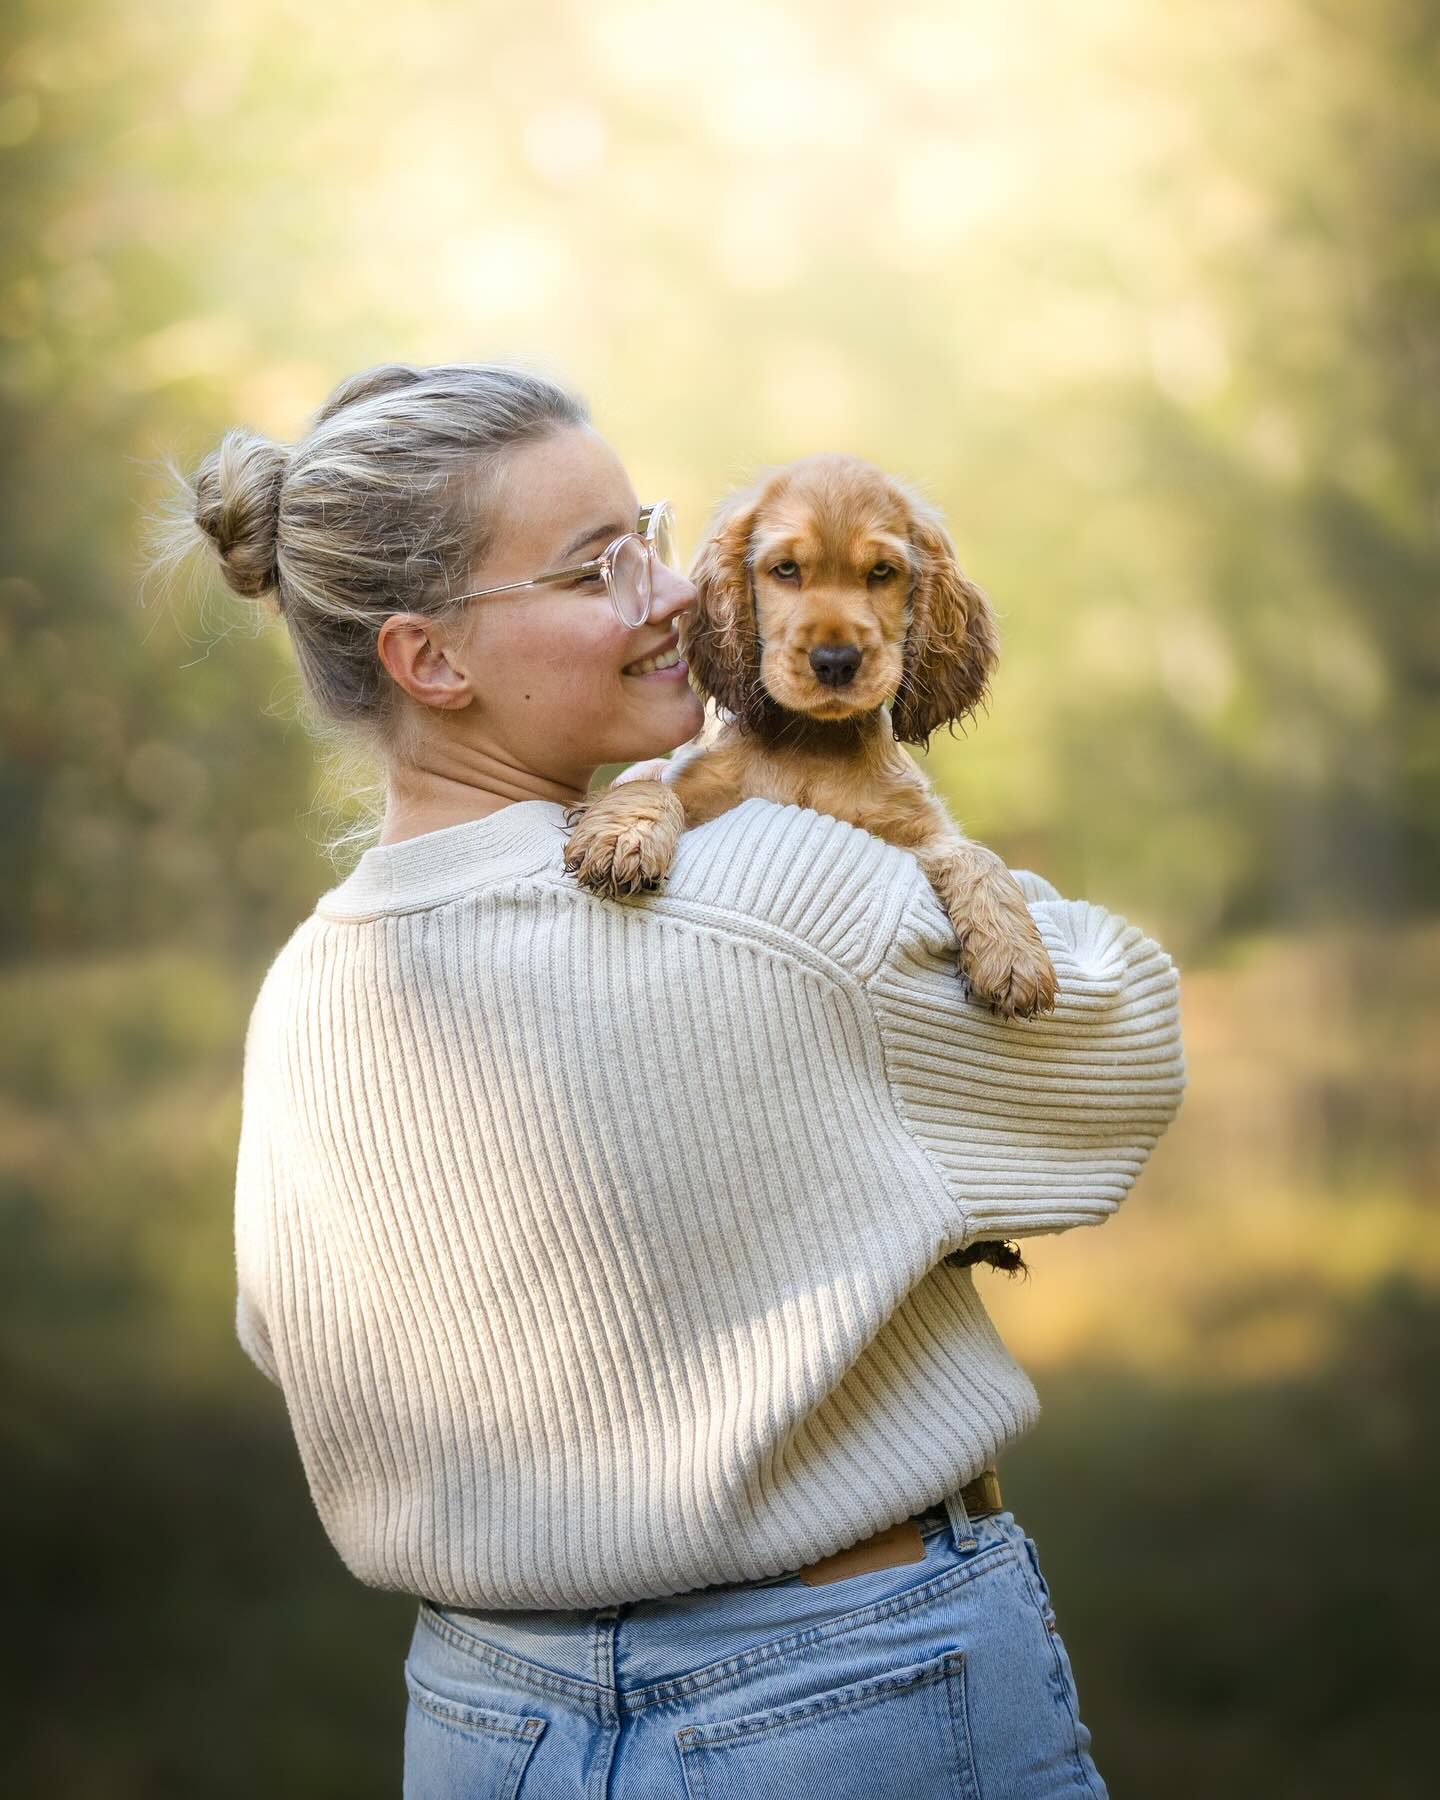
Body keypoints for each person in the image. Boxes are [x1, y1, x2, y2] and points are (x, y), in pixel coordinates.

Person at [153, 360, 1185, 1798]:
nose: (668, 598)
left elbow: (292, 1343)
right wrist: (930, 862)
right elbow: (1124, 1054)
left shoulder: (309, 987)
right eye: (595, 571)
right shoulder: (789, 896)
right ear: (428, 659)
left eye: (647, 535)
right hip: (849, 1691)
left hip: (481, 1717)